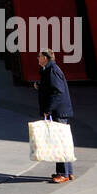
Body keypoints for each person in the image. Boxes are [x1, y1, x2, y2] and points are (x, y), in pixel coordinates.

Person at [34, 49, 75, 183]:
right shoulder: (48, 70)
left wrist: (48, 109)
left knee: (59, 141)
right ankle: (68, 172)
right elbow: (51, 87)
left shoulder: (52, 70)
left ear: (45, 58)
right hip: (59, 111)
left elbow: (57, 92)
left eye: (39, 56)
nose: (37, 58)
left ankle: (63, 173)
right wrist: (40, 86)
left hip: (59, 111)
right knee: (63, 141)